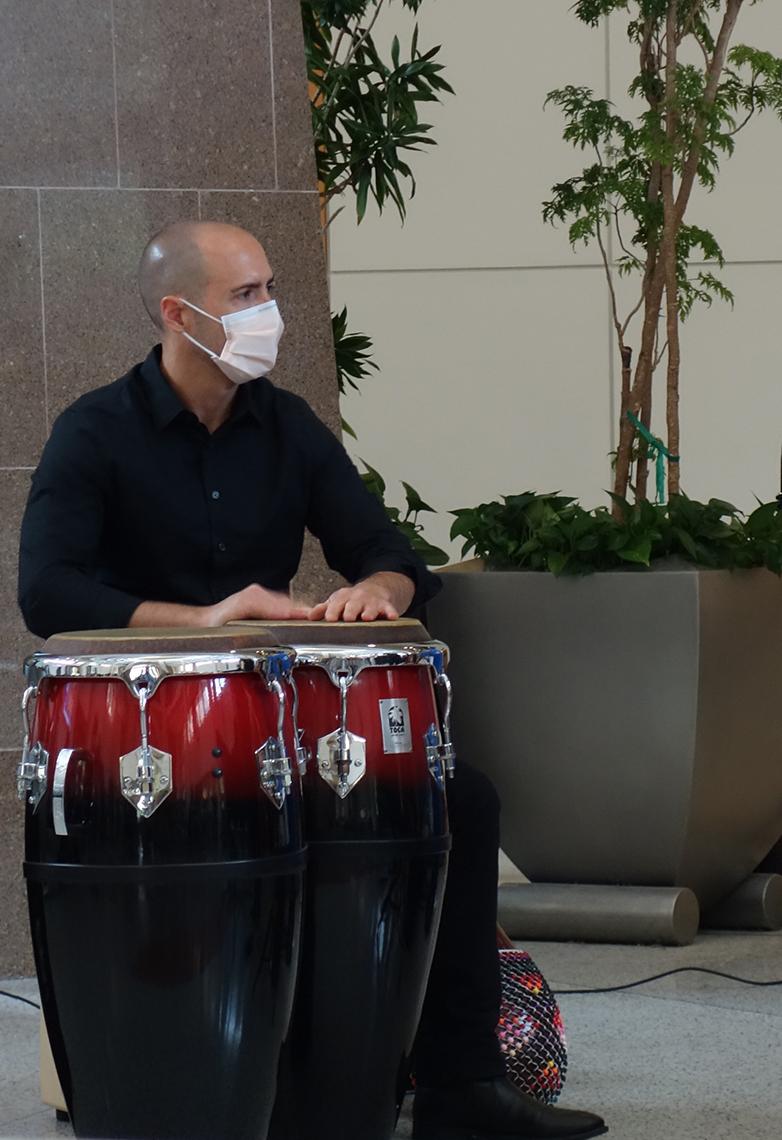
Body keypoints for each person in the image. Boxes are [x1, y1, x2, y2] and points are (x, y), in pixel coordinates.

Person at [18, 221, 607, 1140]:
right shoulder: (95, 431)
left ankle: (459, 1085)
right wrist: (204, 623)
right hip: (156, 743)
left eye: (269, 289)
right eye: (245, 297)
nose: (270, 314)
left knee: (461, 800)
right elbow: (46, 588)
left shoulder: (287, 427)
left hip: (287, 727)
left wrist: (378, 587)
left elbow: (389, 550)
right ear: (180, 315)